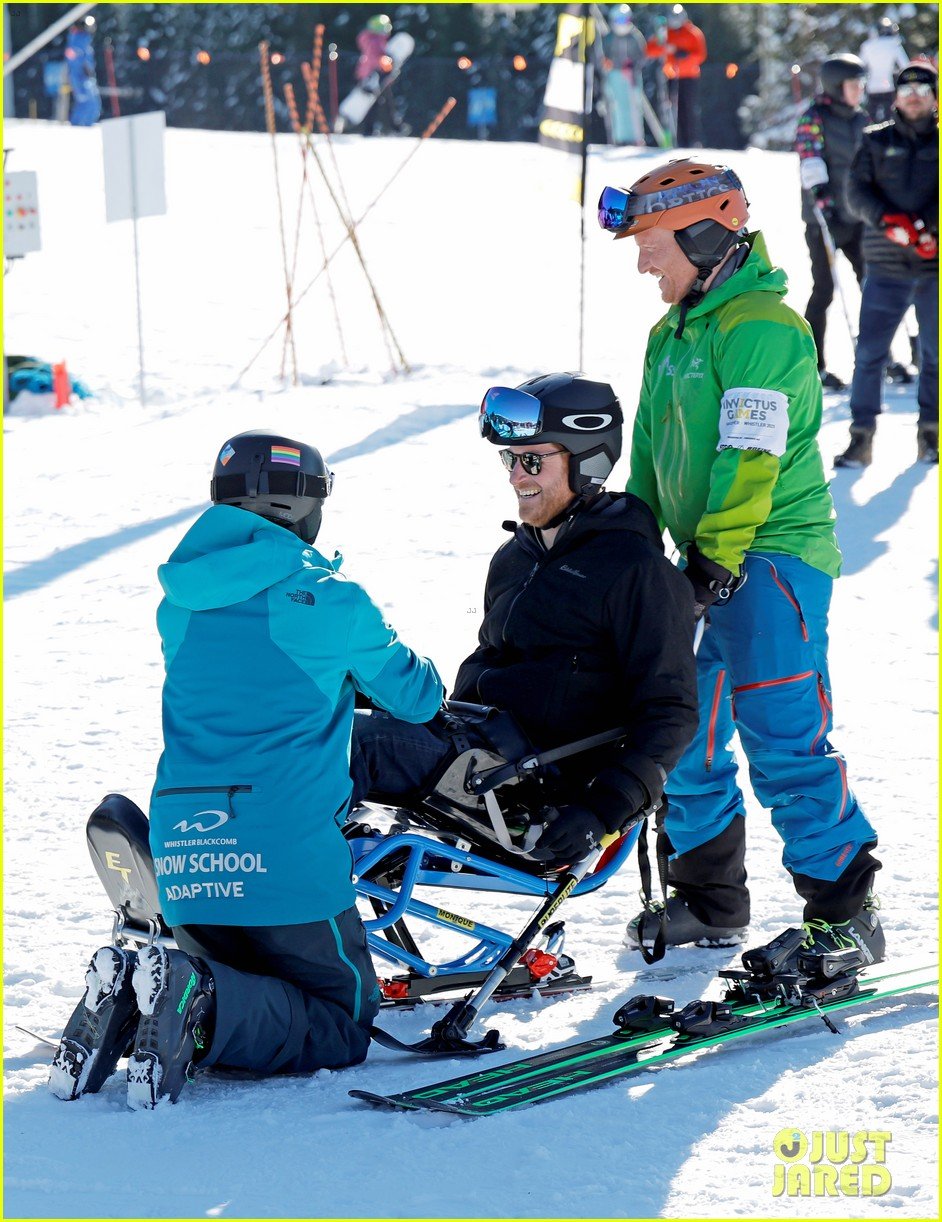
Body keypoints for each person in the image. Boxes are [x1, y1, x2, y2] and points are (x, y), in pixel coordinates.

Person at [49, 431, 444, 1108]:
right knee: (342, 1022)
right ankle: (186, 990)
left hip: (185, 855)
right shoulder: (326, 596)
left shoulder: (180, 601)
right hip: (284, 858)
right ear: (297, 509)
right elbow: (418, 697)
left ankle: (140, 1001)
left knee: (238, 984)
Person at [597, 160, 885, 974]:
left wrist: (713, 564)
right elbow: (651, 453)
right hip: (700, 563)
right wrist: (635, 549)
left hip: (769, 557)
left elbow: (750, 456)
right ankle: (709, 899)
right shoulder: (673, 333)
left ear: (702, 233)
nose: (643, 263)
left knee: (783, 734)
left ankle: (846, 913)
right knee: (681, 735)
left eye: (651, 244)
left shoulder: (762, 325)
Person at [350, 373, 699, 871]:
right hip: (473, 752)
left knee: (353, 744)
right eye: (510, 459)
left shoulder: (637, 571)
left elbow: (671, 712)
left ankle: (293, 924)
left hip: (531, 795)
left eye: (532, 459)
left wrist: (602, 812)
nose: (516, 476)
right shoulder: (515, 557)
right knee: (315, 708)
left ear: (587, 461)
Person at [836, 61, 938, 468]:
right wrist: (887, 220)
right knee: (870, 355)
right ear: (895, 96)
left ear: (933, 97)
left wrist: (927, 226)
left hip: (934, 267)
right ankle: (861, 437)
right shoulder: (875, 141)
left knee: (934, 354)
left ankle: (930, 434)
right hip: (884, 264)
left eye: (922, 88)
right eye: (906, 88)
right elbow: (855, 192)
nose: (913, 95)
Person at [794, 54, 870, 390]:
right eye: (854, 86)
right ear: (837, 87)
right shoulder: (814, 118)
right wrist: (826, 205)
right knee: (824, 289)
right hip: (823, 220)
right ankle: (816, 363)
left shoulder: (860, 119)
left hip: (856, 216)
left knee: (873, 283)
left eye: (861, 85)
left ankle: (873, 354)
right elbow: (811, 164)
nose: (860, 92)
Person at [645, 4, 707, 148]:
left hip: (688, 76)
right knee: (670, 107)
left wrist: (685, 55)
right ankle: (675, 139)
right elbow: (650, 49)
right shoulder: (666, 33)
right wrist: (665, 48)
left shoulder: (693, 33)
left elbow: (701, 55)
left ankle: (691, 139)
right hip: (671, 76)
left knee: (688, 108)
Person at [601, 5, 648, 146]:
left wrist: (632, 66)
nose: (622, 24)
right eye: (619, 20)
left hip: (631, 76)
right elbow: (603, 56)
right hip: (614, 75)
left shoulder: (635, 36)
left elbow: (642, 56)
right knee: (617, 106)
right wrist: (610, 65)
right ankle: (619, 138)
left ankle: (636, 138)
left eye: (624, 20)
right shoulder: (609, 38)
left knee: (634, 105)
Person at [354, 12, 407, 135]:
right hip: (373, 75)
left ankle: (390, 127)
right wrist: (384, 63)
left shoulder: (371, 39)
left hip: (371, 74)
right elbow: (375, 58)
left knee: (381, 101)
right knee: (375, 102)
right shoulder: (375, 41)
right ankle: (385, 128)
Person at [859, 17, 910, 123]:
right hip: (888, 86)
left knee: (871, 118)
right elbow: (905, 66)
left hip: (872, 87)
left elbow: (860, 66)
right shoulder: (894, 45)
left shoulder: (867, 46)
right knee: (889, 118)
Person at [65, 15, 102, 127]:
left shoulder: (85, 39)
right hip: (80, 77)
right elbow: (73, 58)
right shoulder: (76, 39)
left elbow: (86, 57)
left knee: (93, 105)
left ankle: (86, 126)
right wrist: (83, 67)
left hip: (86, 77)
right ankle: (78, 127)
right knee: (86, 102)